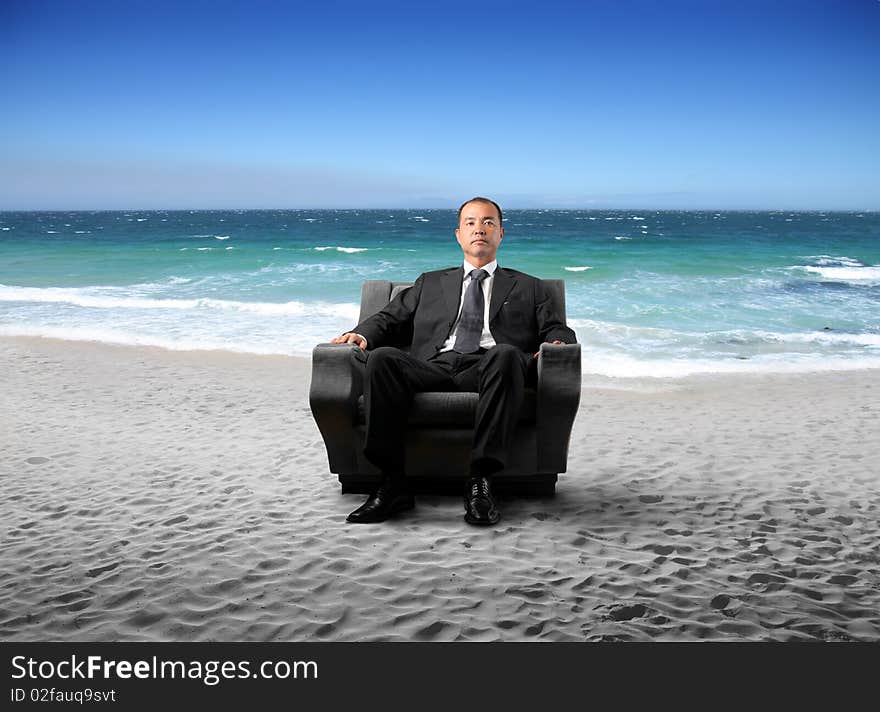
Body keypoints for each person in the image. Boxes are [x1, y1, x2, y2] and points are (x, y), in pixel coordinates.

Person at [331, 197, 577, 526]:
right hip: (434, 366)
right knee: (383, 359)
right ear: (458, 234)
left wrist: (557, 341)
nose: (480, 229)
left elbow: (555, 327)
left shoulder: (529, 287)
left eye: (489, 222)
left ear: (500, 234)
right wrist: (361, 335)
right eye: (471, 222)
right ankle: (392, 483)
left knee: (505, 354)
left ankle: (481, 482)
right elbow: (389, 319)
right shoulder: (429, 282)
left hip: (491, 368)